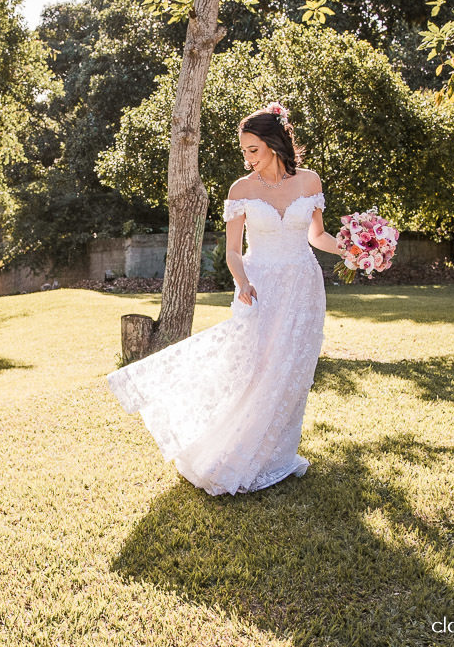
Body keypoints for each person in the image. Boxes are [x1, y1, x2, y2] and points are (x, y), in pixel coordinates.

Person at [107, 102, 344, 495]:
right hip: (261, 284)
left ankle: (277, 455)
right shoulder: (241, 190)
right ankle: (229, 448)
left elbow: (317, 237)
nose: (248, 157)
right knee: (256, 365)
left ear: (273, 143)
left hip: (303, 285)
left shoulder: (310, 182)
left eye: (253, 149)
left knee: (291, 369)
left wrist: (352, 250)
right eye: (244, 150)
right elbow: (233, 251)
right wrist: (243, 282)